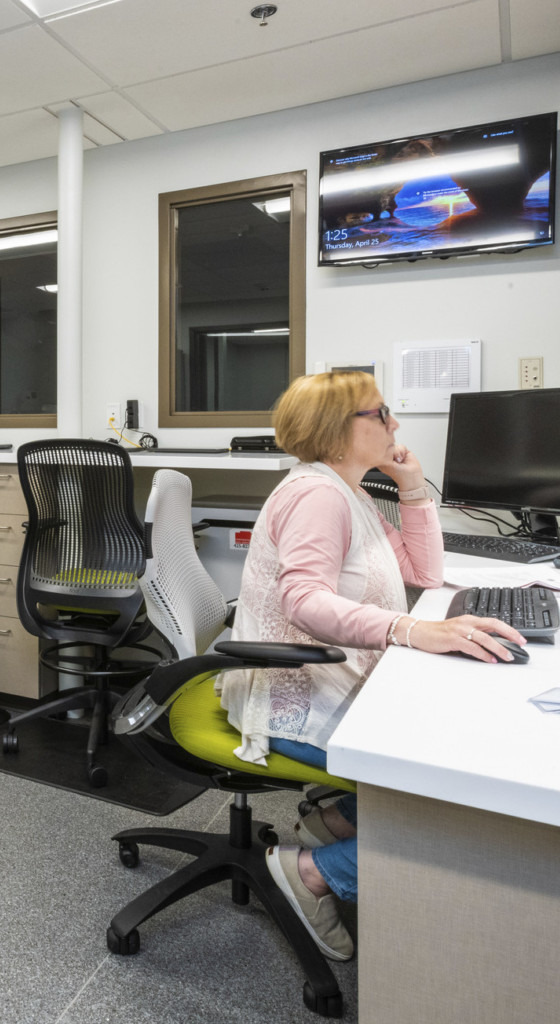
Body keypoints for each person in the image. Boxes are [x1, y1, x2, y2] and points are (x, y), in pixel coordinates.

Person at [217, 371, 526, 963]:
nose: (395, 424)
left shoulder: (349, 492)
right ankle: (311, 872)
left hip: (335, 678)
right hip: (290, 695)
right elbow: (303, 601)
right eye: (380, 414)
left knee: (454, 746)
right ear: (338, 432)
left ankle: (334, 823)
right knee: (453, 792)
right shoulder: (317, 495)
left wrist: (411, 487)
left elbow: (424, 573)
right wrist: (412, 629)